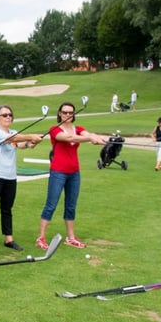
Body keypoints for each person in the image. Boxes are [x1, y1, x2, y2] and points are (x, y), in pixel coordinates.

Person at [35, 102, 107, 250]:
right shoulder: (54, 129)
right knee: (51, 205)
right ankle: (41, 238)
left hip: (74, 172)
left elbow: (86, 134)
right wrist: (89, 139)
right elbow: (69, 139)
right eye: (65, 112)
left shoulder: (78, 129)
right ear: (60, 113)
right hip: (58, 172)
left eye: (70, 113)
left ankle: (71, 237)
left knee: (71, 206)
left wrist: (95, 137)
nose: (68, 115)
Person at [0, 105, 42, 253]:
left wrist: (34, 142)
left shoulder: (14, 132)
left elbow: (23, 144)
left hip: (10, 177)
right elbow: (12, 139)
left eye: (10, 115)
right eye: (4, 115)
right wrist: (30, 136)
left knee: (7, 209)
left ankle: (8, 239)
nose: (8, 117)